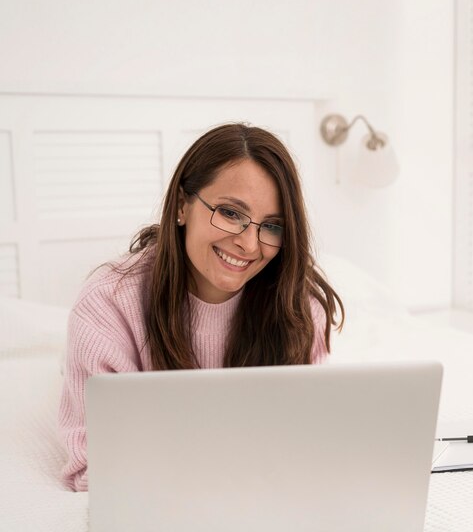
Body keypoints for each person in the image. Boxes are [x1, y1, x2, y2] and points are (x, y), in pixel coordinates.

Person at [58, 123, 344, 492]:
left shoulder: (297, 305)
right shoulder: (106, 306)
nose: (249, 245)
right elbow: (93, 469)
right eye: (230, 213)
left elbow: (306, 443)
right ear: (181, 205)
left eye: (272, 226)